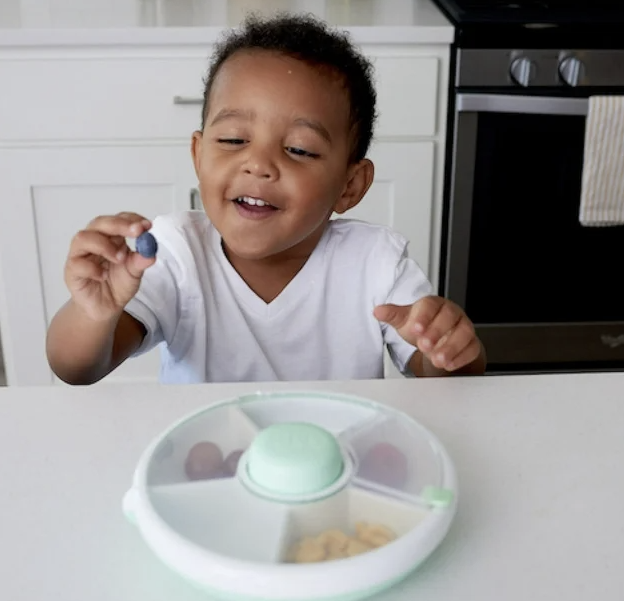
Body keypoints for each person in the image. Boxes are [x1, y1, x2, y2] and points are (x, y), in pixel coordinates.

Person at [46, 12, 486, 385]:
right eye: (234, 139)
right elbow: (76, 368)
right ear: (199, 155)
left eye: (299, 149)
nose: (258, 164)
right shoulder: (176, 252)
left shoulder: (376, 264)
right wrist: (94, 311)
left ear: (350, 186)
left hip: (337, 469)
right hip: (206, 471)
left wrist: (449, 351)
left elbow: (447, 381)